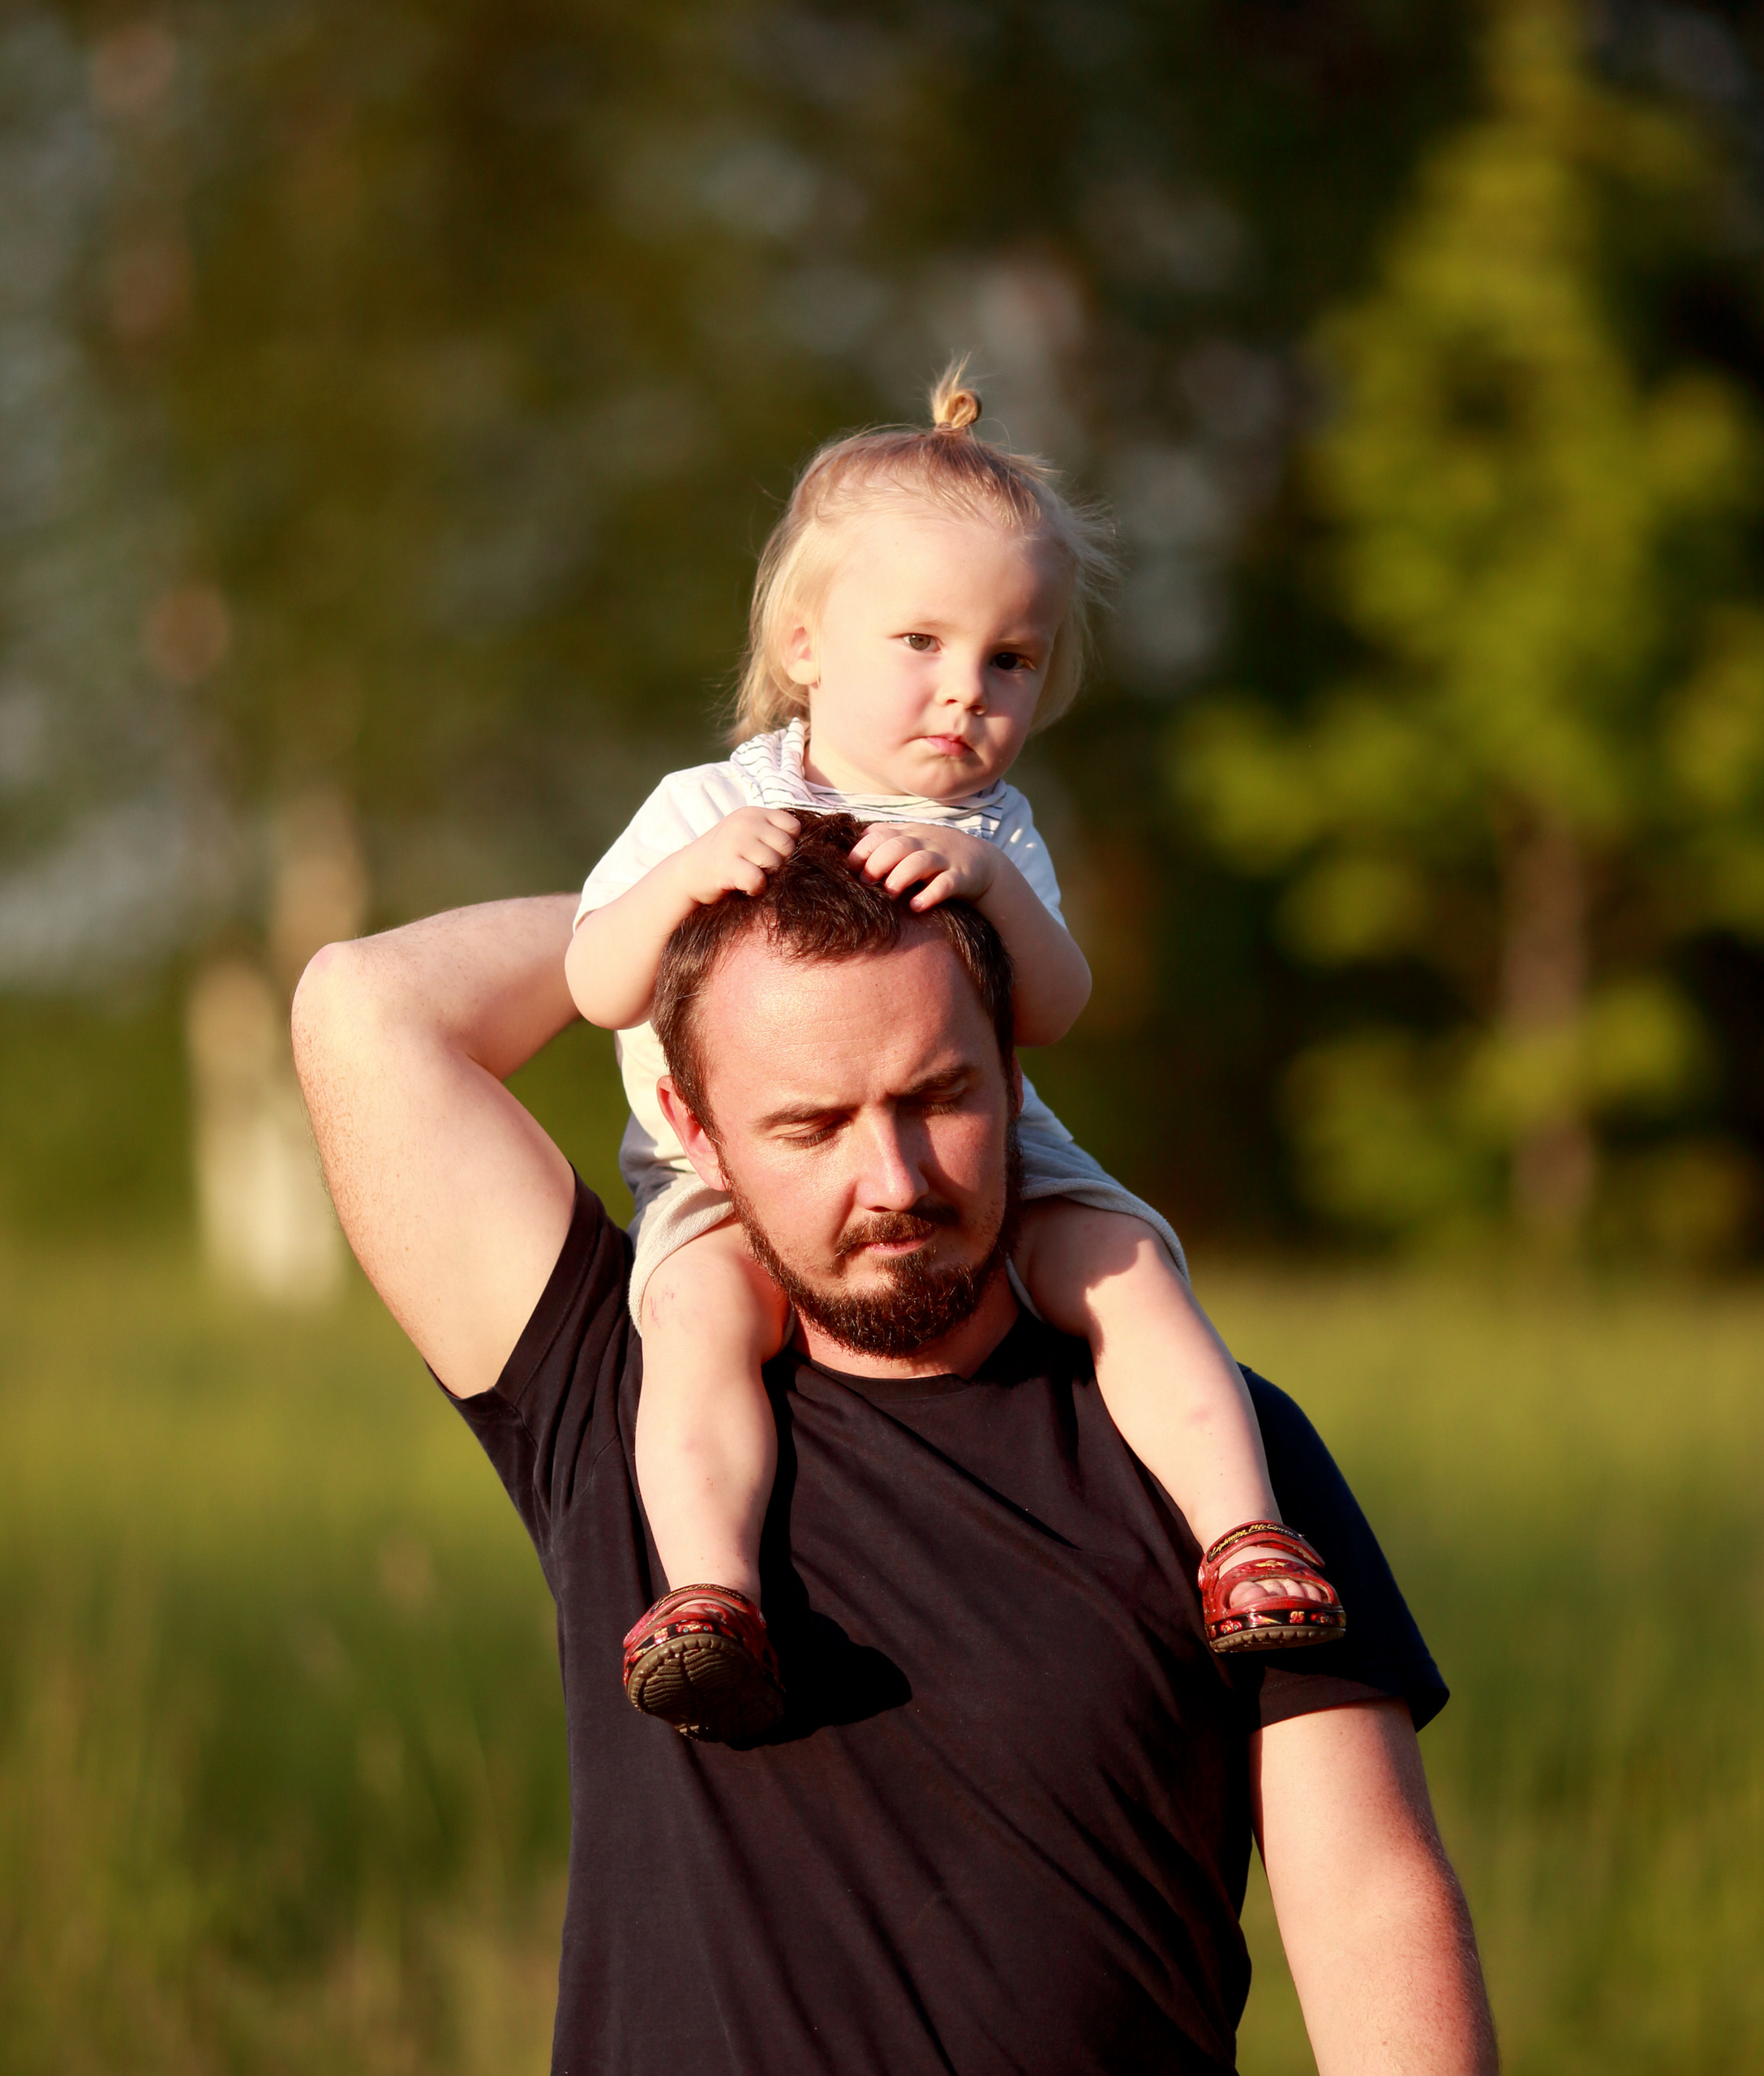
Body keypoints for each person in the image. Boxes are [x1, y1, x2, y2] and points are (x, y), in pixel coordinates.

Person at [292, 818, 1500, 2074]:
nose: (896, 1179)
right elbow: (362, 1008)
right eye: (811, 1127)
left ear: (1016, 1073)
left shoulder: (1210, 1449)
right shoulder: (613, 1396)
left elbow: (1366, 1906)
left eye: (939, 1096)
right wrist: (716, 862)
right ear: (692, 1131)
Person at [564, 364, 1337, 1741]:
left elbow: (1054, 1007)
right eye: (919, 643)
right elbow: (591, 974)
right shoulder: (710, 803)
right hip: (731, 1169)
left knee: (1131, 1266)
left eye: (1011, 660)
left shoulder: (997, 827)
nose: (966, 694)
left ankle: (1244, 1537)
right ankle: (710, 1593)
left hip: (986, 1141)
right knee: (698, 1325)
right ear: (805, 646)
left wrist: (986, 887)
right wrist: (681, 887)